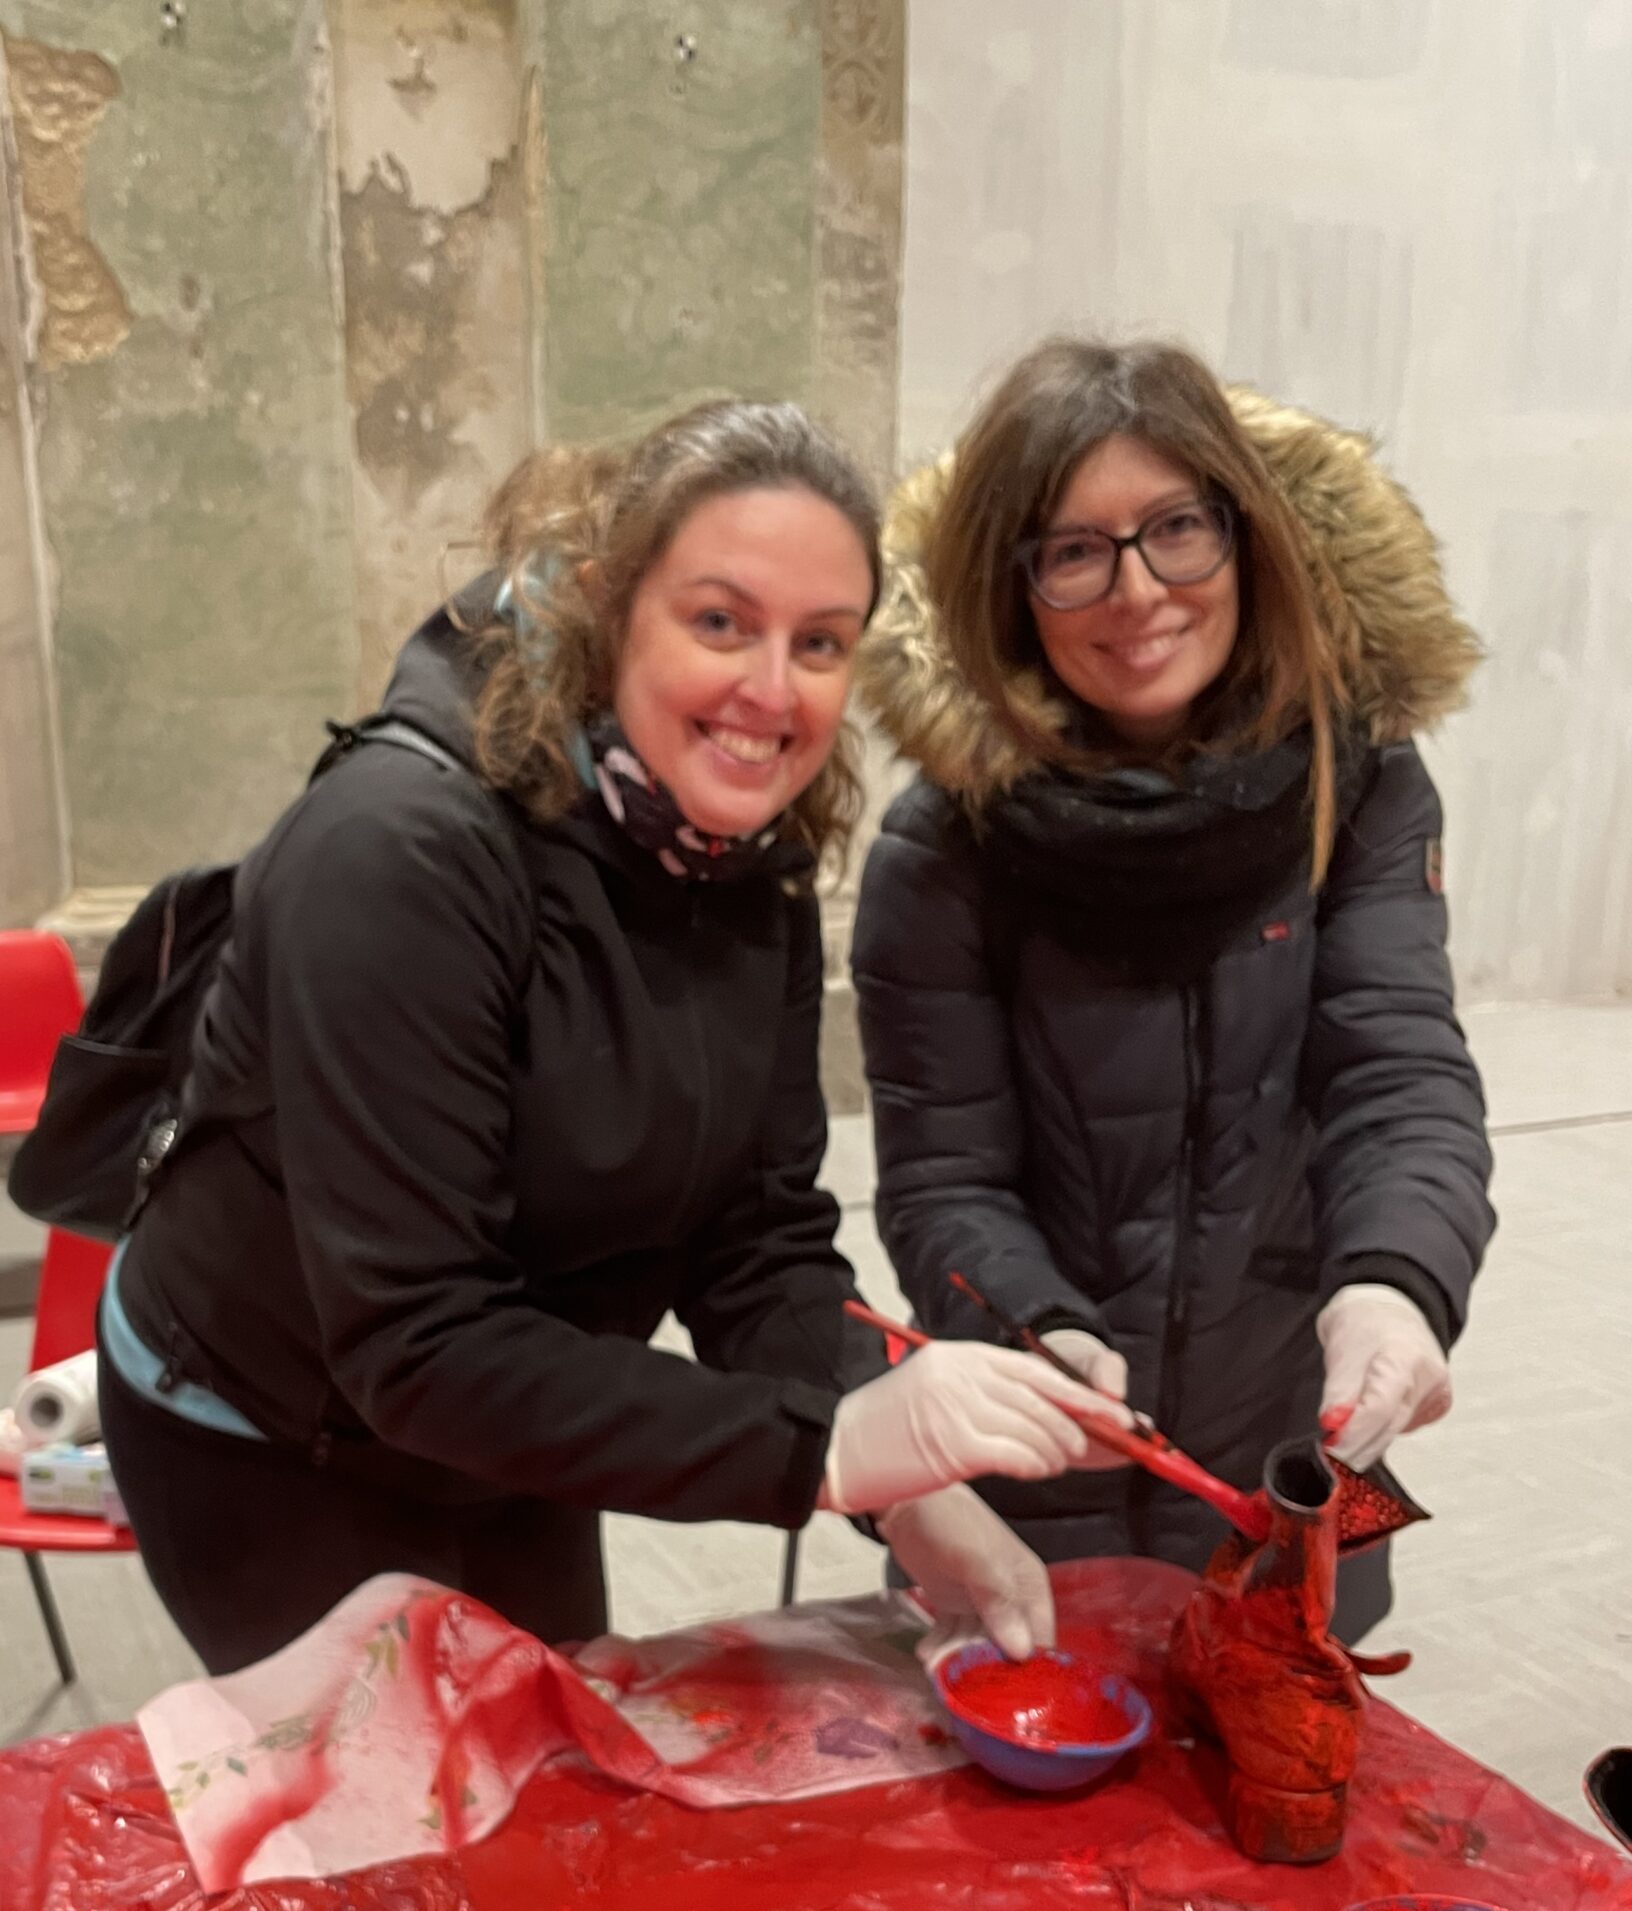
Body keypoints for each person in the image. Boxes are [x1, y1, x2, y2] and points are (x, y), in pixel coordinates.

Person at [99, 400, 1125, 1673]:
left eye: (819, 642)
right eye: (720, 622)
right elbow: (417, 1344)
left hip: (511, 1405)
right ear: (608, 604)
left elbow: (755, 1239)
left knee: (559, 1733)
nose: (771, 690)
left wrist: (905, 1483)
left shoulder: (747, 860)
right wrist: (826, 1451)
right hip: (269, 1427)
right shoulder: (397, 854)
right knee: (400, 1785)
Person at [852, 339, 1495, 1644]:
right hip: (1037, 1473)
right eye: (1074, 551)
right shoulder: (944, 846)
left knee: (1287, 1754)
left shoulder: (1359, 783)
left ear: (1246, 538)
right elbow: (944, 1178)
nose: (1138, 590)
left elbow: (1396, 1070)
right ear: (1015, 587)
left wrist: (1395, 1282)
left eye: (1177, 529)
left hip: (1284, 1452)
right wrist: (1035, 1326)